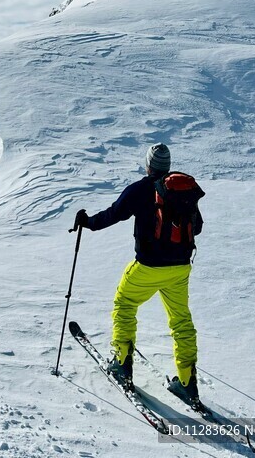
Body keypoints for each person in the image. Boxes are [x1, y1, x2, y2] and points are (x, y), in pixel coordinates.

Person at [73, 143, 205, 405]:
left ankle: (122, 363)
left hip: (147, 267)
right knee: (181, 322)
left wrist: (87, 222)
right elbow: (197, 228)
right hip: (180, 268)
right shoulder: (182, 191)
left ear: (148, 165)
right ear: (166, 166)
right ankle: (187, 383)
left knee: (124, 304)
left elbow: (114, 214)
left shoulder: (141, 189)